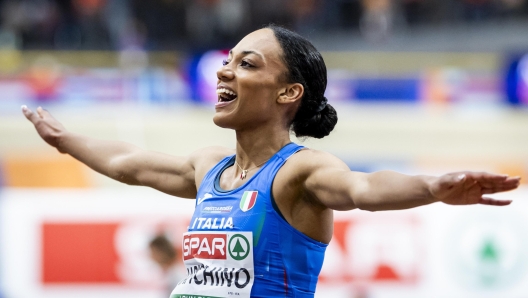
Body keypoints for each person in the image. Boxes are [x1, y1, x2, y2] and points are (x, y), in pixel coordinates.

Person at [22, 25, 520, 298]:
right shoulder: (208, 169)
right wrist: (66, 140)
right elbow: (129, 162)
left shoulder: (299, 171)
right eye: (228, 59)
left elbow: (364, 190)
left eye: (246, 63)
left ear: (289, 91)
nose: (224, 69)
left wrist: (432, 187)